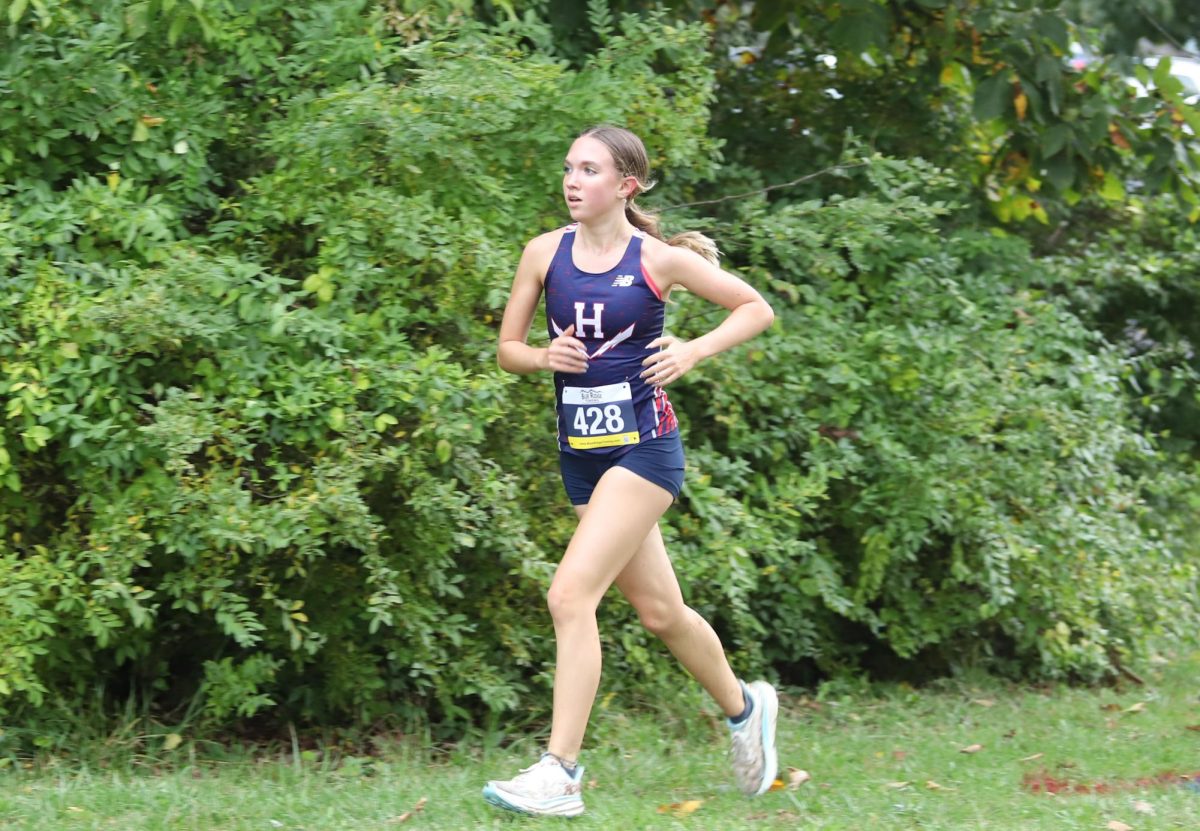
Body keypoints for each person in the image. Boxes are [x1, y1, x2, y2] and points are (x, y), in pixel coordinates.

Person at [482, 125, 778, 818]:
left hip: (644, 450)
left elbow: (754, 307)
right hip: (580, 454)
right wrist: (541, 358)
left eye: (588, 169)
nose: (572, 180)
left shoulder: (658, 259)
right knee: (658, 611)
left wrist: (694, 350)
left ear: (626, 185)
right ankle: (745, 709)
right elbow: (505, 349)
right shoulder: (542, 254)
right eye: (568, 168)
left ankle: (561, 771)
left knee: (569, 595)